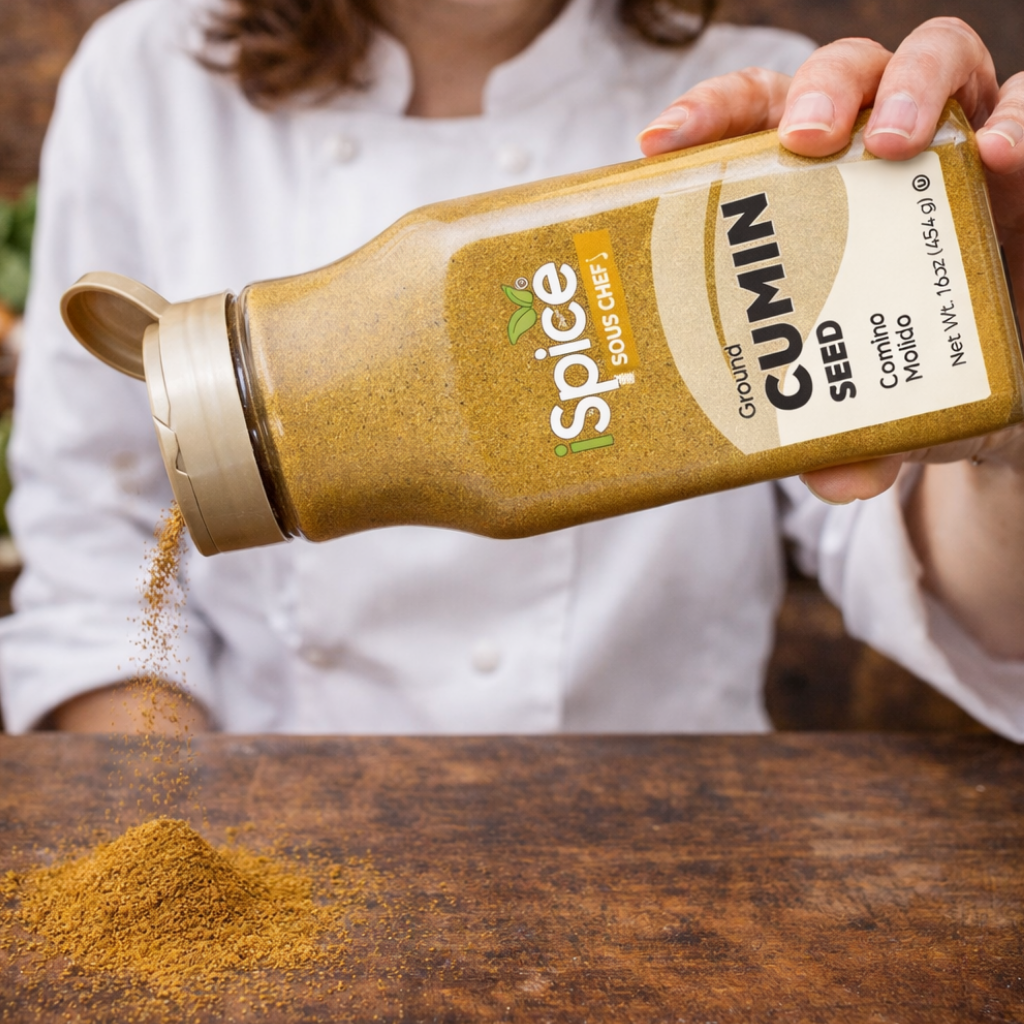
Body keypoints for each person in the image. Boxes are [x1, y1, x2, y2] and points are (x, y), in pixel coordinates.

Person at [0, 0, 1022, 738]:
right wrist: (183, 839)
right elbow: (93, 544)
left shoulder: (773, 114)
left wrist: (1000, 420)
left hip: (683, 852)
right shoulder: (147, 79)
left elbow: (920, 567)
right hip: (284, 818)